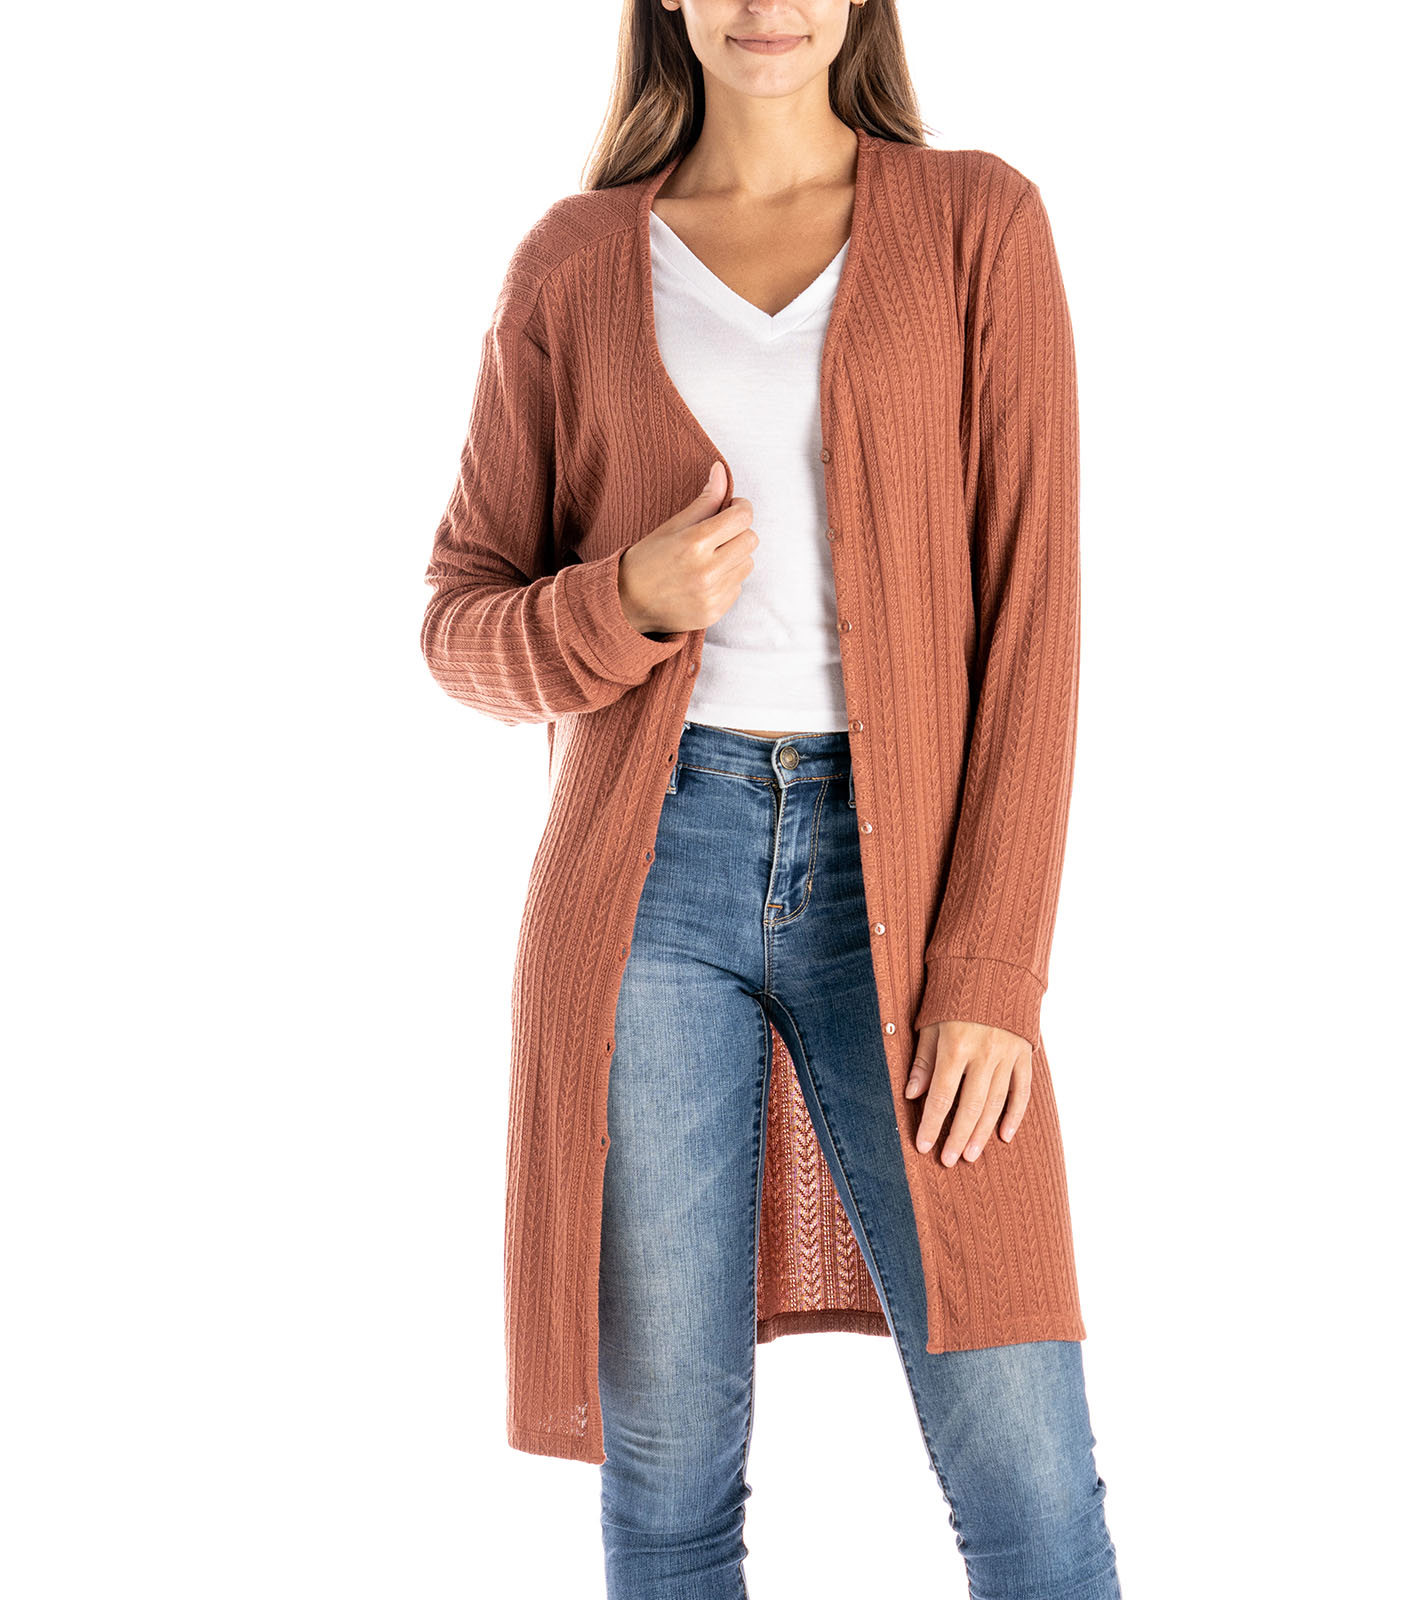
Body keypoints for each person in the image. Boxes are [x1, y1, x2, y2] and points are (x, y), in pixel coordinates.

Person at [420, 3, 1122, 1595]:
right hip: (648, 883)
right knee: (667, 1489)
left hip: (914, 882)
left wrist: (993, 969)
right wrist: (623, 601)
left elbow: (1037, 616)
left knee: (1030, 1479)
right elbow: (461, 623)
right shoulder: (573, 265)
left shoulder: (980, 223)